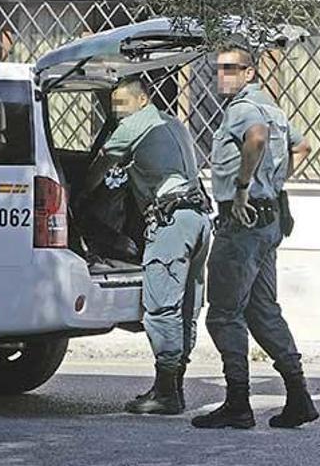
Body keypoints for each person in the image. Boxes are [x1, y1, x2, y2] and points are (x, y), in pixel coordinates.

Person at [191, 42, 316, 430]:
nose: (222, 74)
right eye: (219, 68)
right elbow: (303, 146)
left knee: (224, 314)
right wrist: (271, 184)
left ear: (250, 72)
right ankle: (299, 397)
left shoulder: (245, 109)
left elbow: (257, 139)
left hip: (241, 224)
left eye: (231, 68)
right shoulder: (273, 108)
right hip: (267, 223)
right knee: (262, 311)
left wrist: (246, 186)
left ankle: (238, 403)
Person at [85, 76, 212, 415]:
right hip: (199, 219)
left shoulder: (134, 125)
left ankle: (166, 393)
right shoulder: (173, 123)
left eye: (122, 104)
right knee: (187, 306)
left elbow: (100, 168)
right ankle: (175, 386)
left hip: (171, 223)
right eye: (114, 106)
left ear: (142, 100)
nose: (117, 111)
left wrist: (77, 198)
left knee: (162, 307)